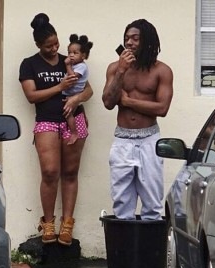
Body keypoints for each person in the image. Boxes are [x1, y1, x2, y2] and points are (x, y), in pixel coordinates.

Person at [19, 13, 93, 246]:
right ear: (38, 45)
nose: (54, 49)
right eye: (48, 46)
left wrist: (76, 99)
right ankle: (48, 223)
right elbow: (31, 96)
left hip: (74, 118)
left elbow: (88, 90)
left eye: (56, 43)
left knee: (70, 172)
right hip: (47, 121)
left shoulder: (70, 60)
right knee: (50, 172)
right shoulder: (29, 64)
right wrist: (59, 87)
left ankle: (67, 225)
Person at [102, 19, 173, 220]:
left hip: (149, 140)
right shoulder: (115, 68)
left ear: (148, 42)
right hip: (122, 140)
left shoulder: (162, 70)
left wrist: (127, 101)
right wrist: (121, 71)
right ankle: (124, 250)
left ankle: (149, 250)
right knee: (121, 201)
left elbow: (162, 108)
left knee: (152, 201)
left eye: (135, 39)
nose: (130, 43)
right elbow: (108, 102)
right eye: (126, 39)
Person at [62, 34, 93, 145]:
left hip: (74, 93)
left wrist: (67, 66)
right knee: (75, 108)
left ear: (83, 55)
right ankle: (83, 119)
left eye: (75, 53)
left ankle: (74, 133)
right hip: (70, 93)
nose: (71, 55)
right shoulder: (76, 65)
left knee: (68, 113)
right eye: (69, 52)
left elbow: (73, 79)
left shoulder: (81, 66)